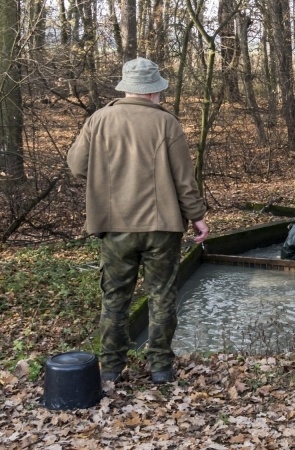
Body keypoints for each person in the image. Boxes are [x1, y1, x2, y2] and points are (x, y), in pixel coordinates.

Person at [67, 57, 209, 385]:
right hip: (162, 227)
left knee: (115, 298)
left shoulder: (99, 120)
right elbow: (184, 180)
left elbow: (76, 165)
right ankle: (160, 368)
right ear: (153, 91)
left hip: (115, 225)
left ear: (127, 88)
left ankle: (111, 369)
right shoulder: (166, 123)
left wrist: (106, 179)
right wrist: (197, 216)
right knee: (162, 296)